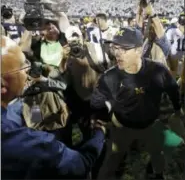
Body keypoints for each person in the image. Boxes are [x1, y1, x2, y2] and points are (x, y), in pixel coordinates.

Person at [1, 35, 106, 179]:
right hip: (41, 115)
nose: (28, 71)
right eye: (22, 66)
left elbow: (62, 85)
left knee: (59, 137)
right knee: (46, 136)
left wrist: (44, 81)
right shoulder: (20, 133)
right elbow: (78, 163)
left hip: (56, 116)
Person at [90, 27, 185, 180]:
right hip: (122, 127)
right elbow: (97, 102)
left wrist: (177, 109)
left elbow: (173, 89)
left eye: (124, 49)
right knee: (112, 161)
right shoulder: (109, 77)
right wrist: (99, 116)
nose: (118, 54)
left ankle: (157, 174)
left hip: (150, 125)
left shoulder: (158, 71)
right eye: (115, 48)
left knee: (157, 154)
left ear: (139, 51)